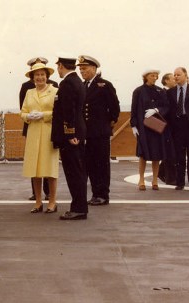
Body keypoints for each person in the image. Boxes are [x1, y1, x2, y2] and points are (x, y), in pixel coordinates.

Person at [77, 55, 120, 206]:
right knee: (90, 164)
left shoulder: (104, 85)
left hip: (100, 132)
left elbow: (115, 108)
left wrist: (109, 124)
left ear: (94, 68)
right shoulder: (81, 86)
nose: (82, 71)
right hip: (86, 133)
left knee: (101, 164)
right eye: (80, 69)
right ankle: (95, 194)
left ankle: (103, 195)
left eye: (85, 68)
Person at [51, 56, 88, 220]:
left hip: (70, 137)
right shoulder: (77, 81)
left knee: (74, 173)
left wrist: (70, 134)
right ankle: (79, 206)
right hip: (76, 133)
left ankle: (79, 208)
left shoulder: (67, 83)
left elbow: (69, 110)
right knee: (77, 172)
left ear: (60, 66)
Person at [19, 63, 59, 213]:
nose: (40, 77)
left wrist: (45, 115)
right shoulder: (29, 92)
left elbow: (59, 112)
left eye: (42, 74)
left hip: (48, 132)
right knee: (35, 169)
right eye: (37, 75)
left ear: (47, 76)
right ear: (32, 77)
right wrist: (27, 116)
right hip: (33, 132)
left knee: (49, 169)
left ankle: (52, 201)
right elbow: (22, 112)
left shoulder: (54, 90)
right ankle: (38, 201)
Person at [129, 70, 170, 190]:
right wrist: (133, 125)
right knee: (143, 154)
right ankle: (141, 179)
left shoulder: (160, 91)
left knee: (157, 154)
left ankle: (155, 180)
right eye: (152, 76)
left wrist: (157, 110)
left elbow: (166, 106)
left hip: (156, 126)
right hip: (143, 127)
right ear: (145, 77)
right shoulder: (138, 91)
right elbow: (134, 108)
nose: (155, 78)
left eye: (156, 76)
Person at [158, 72, 178, 186]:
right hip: (167, 127)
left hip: (171, 127)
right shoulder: (163, 93)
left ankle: (162, 173)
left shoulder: (168, 92)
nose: (175, 80)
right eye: (172, 79)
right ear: (166, 81)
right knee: (170, 152)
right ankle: (170, 178)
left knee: (171, 152)